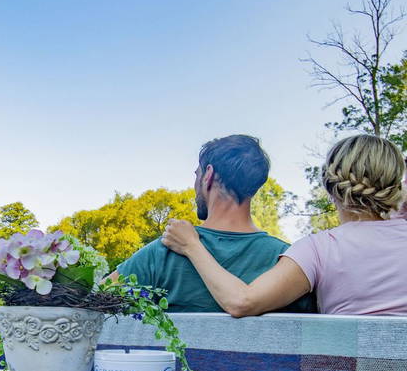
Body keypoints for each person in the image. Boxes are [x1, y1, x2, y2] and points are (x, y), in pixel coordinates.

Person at [162, 134, 407, 316]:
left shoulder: (318, 250)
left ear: (330, 185)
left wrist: (192, 245)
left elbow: (242, 302)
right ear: (395, 185)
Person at [108, 134, 315, 313]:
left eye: (196, 175)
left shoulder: (165, 250)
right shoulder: (286, 260)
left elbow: (95, 301)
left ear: (208, 175)